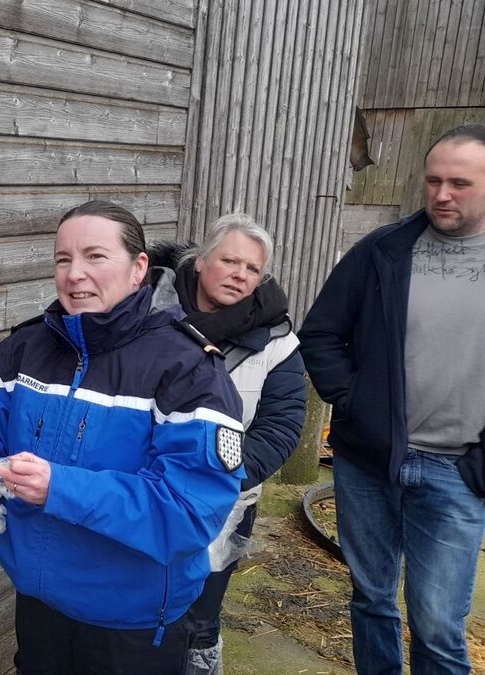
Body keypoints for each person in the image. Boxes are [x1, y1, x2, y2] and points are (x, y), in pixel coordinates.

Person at [0, 200, 246, 674]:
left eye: (95, 257)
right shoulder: (21, 350)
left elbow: (189, 511)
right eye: (63, 259)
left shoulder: (188, 369)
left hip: (132, 623)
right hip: (38, 601)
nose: (75, 274)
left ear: (139, 268)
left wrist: (59, 488)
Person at [298, 123, 485, 674]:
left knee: (437, 625)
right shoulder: (384, 251)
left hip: (458, 470)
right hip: (369, 462)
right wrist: (356, 403)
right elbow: (321, 334)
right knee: (372, 599)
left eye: (460, 183)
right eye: (433, 181)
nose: (441, 194)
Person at [149, 215, 307, 675]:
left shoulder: (277, 344)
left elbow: (279, 428)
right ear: (200, 262)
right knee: (135, 604)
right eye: (229, 260)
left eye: (252, 269)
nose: (240, 274)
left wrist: (218, 478)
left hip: (223, 502)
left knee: (199, 617)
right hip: (139, 493)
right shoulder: (145, 314)